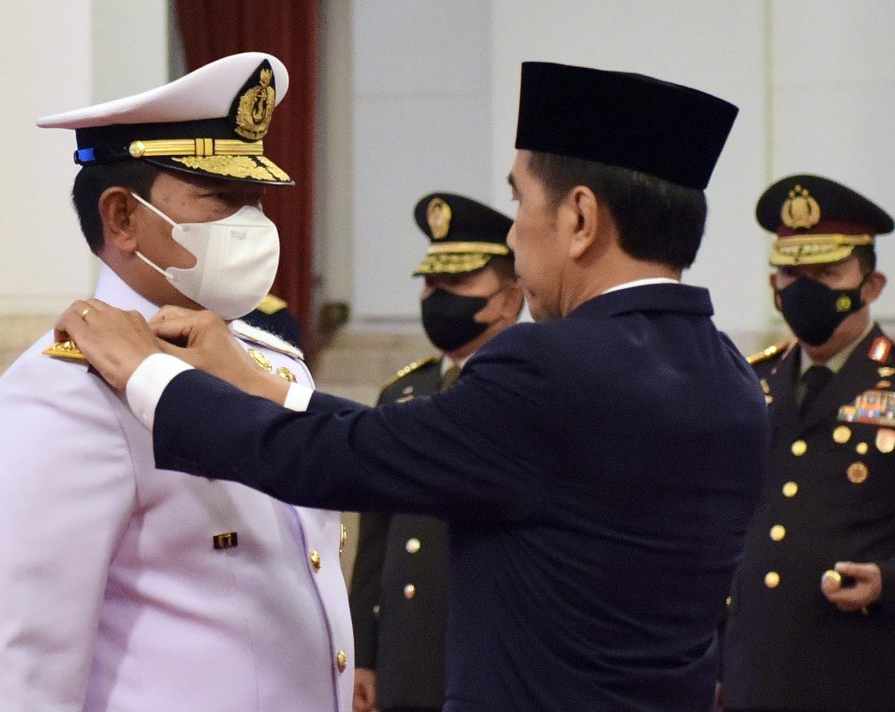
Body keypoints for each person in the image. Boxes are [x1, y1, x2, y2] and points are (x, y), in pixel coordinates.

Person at [58, 61, 768, 710]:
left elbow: (346, 461)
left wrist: (151, 372)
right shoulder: (729, 377)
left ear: (579, 219)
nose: (516, 239)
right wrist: (253, 380)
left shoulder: (554, 369)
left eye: (520, 203)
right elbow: (408, 443)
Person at [0, 53, 353, 712]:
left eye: (255, 202)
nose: (252, 226)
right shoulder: (62, 401)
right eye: (221, 200)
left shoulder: (273, 365)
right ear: (122, 218)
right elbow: (11, 673)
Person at [720, 174, 895, 712]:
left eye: (826, 272)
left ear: (871, 285)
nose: (804, 288)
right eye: (791, 272)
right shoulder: (749, 384)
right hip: (753, 669)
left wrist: (889, 581)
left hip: (859, 671)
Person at [350, 193, 523, 712]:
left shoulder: (532, 393)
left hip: (494, 656)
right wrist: (364, 652)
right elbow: (375, 542)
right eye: (431, 284)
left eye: (458, 285)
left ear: (509, 299)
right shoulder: (404, 394)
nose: (436, 297)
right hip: (406, 657)